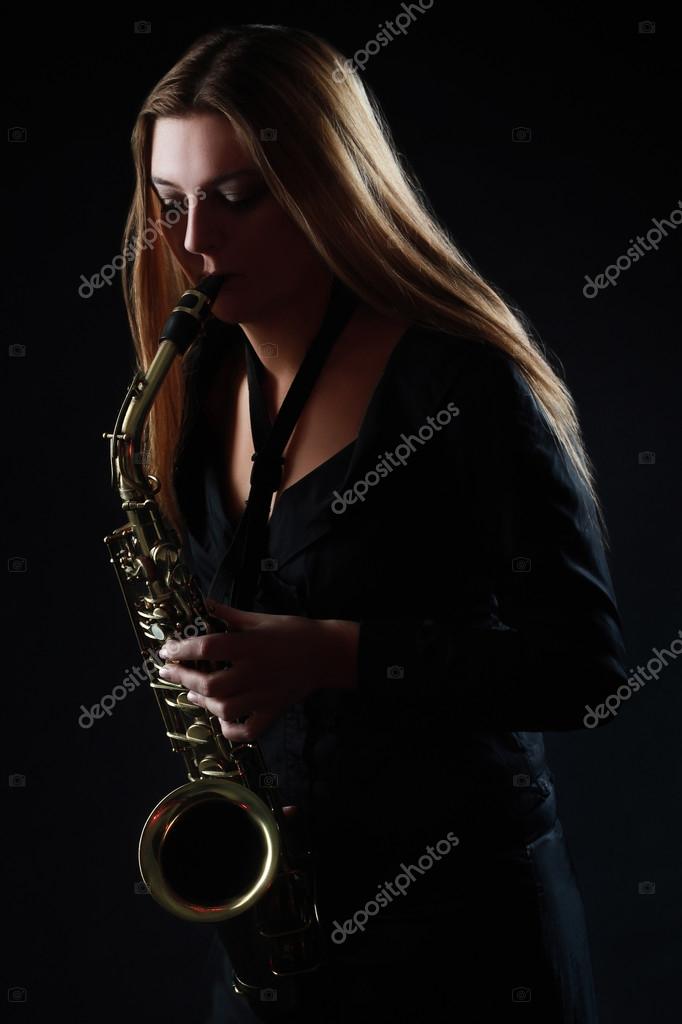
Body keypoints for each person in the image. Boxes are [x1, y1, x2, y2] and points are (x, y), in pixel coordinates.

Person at [121, 23, 629, 1024]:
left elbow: (584, 671)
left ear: (325, 188)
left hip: (465, 939)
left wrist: (336, 655)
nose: (191, 247)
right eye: (170, 206)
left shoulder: (461, 386)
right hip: (285, 930)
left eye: (232, 199)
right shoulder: (200, 383)